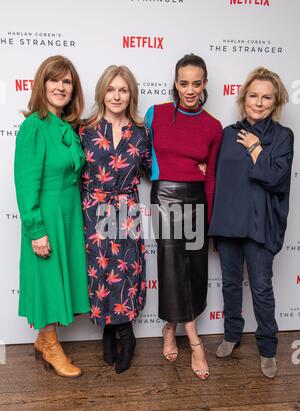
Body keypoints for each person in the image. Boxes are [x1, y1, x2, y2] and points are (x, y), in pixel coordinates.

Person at [209, 67, 293, 378]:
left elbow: (274, 178)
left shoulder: (283, 136)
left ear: (276, 102)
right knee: (231, 284)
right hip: (229, 223)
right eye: (253, 95)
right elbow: (219, 179)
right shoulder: (228, 133)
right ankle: (231, 335)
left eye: (266, 97)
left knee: (260, 288)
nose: (258, 102)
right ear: (244, 97)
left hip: (261, 225)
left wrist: (256, 147)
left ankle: (268, 348)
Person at [145, 54, 222, 380]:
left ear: (204, 84)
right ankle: (194, 341)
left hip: (196, 199)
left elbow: (212, 177)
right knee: (172, 266)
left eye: (196, 83)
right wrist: (173, 170)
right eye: (183, 83)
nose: (189, 90)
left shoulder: (213, 126)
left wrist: (212, 221)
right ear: (175, 83)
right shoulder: (156, 114)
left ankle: (169, 327)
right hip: (164, 197)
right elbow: (141, 159)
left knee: (193, 269)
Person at [14, 55, 90, 378]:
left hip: (69, 216)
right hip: (47, 216)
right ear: (41, 84)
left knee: (59, 278)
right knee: (47, 279)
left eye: (67, 81)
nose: (61, 87)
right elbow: (26, 182)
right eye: (54, 80)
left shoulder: (68, 127)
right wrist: (36, 229)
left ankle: (41, 340)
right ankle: (52, 346)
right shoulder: (34, 126)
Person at [79, 65, 151, 374]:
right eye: (111, 89)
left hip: (126, 210)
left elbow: (152, 169)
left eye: (123, 89)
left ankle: (127, 337)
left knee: (124, 275)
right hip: (93, 210)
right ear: (102, 92)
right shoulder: (84, 129)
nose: (117, 95)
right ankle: (108, 332)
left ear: (131, 94)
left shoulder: (140, 131)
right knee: (100, 273)